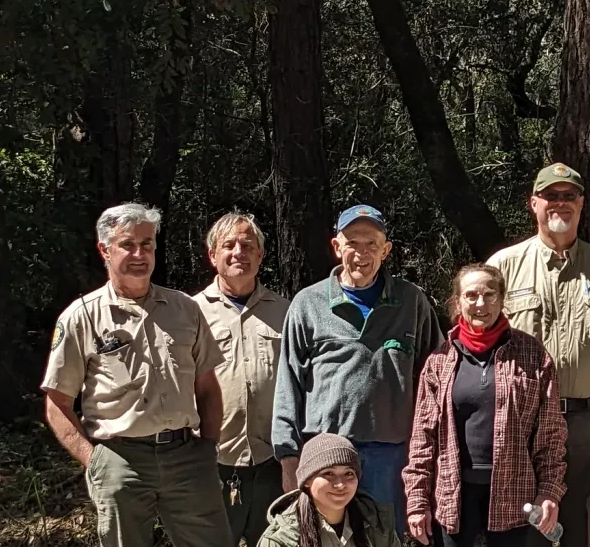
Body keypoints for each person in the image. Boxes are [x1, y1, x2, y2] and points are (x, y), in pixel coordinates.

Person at [41, 203, 231, 547]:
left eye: (147, 244)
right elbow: (57, 403)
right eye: (128, 244)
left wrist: (208, 447)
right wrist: (94, 460)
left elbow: (207, 386)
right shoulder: (81, 317)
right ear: (105, 249)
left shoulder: (185, 309)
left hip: (187, 456)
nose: (139, 254)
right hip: (120, 460)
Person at [487, 162, 590, 547]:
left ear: (581, 204)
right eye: (550, 196)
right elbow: (477, 346)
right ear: (534, 204)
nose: (560, 203)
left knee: (589, 529)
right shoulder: (503, 267)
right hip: (519, 426)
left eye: (569, 196)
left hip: (589, 424)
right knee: (521, 533)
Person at [272, 204, 440, 518]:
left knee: (385, 537)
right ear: (337, 247)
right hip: (325, 454)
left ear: (386, 250)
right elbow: (288, 384)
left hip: (390, 456)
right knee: (324, 537)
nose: (362, 253)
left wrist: (430, 454)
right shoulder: (308, 303)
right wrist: (288, 457)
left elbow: (436, 380)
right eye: (352, 243)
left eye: (371, 244)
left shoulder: (411, 301)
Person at [403, 264, 568, 547]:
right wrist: (418, 500)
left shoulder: (532, 354)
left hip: (514, 497)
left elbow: (551, 433)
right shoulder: (439, 361)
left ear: (502, 299)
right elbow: (423, 438)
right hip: (452, 496)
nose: (481, 304)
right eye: (471, 295)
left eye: (490, 294)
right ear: (458, 302)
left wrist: (549, 491)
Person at [192, 212, 292, 547]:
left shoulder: (286, 312)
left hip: (272, 464)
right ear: (212, 256)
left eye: (248, 245)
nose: (239, 252)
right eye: (229, 245)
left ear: (261, 256)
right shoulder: (190, 313)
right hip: (211, 464)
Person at [256, 433, 403, 547]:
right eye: (328, 474)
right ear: (306, 481)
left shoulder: (378, 526)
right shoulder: (280, 539)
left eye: (349, 474)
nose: (340, 484)